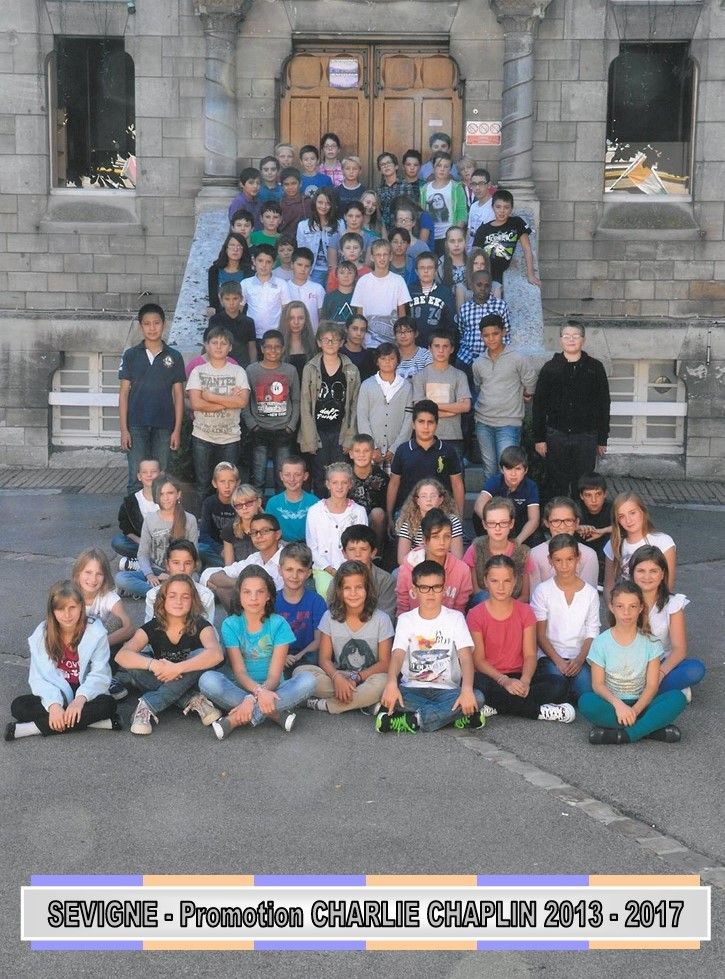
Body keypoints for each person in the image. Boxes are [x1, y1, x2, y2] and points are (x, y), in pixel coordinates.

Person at [199, 567, 317, 738]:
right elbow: (239, 671)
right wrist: (257, 694)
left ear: (268, 595)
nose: (253, 598)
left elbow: (274, 676)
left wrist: (252, 699)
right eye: (247, 592)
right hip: (240, 688)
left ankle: (236, 719)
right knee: (207, 680)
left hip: (274, 688)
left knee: (308, 680)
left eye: (260, 592)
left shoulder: (279, 624)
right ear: (239, 595)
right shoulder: (230, 624)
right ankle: (274, 714)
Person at [377, 559, 484, 734]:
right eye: (424, 588)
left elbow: (466, 658)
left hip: (447, 690)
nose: (431, 593)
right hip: (411, 688)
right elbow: (397, 655)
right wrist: (391, 683)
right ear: (414, 590)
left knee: (477, 696)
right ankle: (454, 717)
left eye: (436, 587)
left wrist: (466, 690)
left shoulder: (455, 618)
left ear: (444, 589)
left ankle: (414, 720)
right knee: (390, 694)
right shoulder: (406, 619)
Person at [5, 581, 119, 741]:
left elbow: (100, 674)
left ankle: (31, 728)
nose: (67, 614)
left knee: (108, 704)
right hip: (57, 688)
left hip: (85, 690)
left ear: (81, 606)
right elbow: (38, 678)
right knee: (18, 706)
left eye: (72, 607)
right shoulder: (42, 634)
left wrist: (79, 700)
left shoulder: (96, 632)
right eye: (60, 609)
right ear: (52, 611)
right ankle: (94, 722)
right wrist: (54, 705)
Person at [467, 556, 575, 722]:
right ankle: (539, 712)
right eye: (494, 581)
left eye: (507, 581)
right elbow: (478, 660)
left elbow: (530, 654)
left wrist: (525, 681)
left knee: (559, 684)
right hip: (491, 677)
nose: (501, 587)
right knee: (475, 683)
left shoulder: (525, 611)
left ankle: (496, 706)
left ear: (515, 581)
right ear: (486, 581)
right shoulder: (475, 614)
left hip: (519, 674)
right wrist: (504, 681)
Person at [579, 581, 688, 744]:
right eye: (620, 606)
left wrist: (635, 711)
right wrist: (619, 706)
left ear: (641, 608)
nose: (626, 612)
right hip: (612, 705)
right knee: (586, 702)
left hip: (642, 703)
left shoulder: (651, 642)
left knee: (677, 698)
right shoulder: (600, 643)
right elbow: (598, 685)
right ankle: (649, 729)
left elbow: (652, 686)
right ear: (611, 607)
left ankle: (624, 734)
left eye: (632, 606)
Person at [114, 574, 224, 735]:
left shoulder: (202, 625)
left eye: (185, 597)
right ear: (163, 600)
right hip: (160, 676)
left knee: (201, 654)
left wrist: (178, 668)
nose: (178, 601)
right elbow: (121, 656)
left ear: (193, 601)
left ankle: (147, 705)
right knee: (136, 663)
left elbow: (216, 654)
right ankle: (191, 699)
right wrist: (154, 665)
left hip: (191, 679)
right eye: (172, 596)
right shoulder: (153, 626)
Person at [298, 560, 393, 714]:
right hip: (339, 676)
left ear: (367, 589)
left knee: (384, 682)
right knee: (301, 673)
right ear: (339, 591)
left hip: (368, 677)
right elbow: (324, 659)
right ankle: (364, 702)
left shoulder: (382, 619)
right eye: (347, 588)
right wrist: (337, 678)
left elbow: (385, 663)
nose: (353, 593)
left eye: (359, 587)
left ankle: (324, 704)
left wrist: (357, 678)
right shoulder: (329, 617)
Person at [533, 321, 611, 500]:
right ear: (560, 340)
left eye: (575, 336)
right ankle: (557, 516)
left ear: (583, 340)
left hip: (586, 436)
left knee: (583, 484)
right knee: (556, 484)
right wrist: (539, 439)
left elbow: (604, 404)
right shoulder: (550, 368)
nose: (571, 340)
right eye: (566, 336)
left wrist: (602, 438)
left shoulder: (595, 368)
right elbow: (539, 405)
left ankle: (580, 517)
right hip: (556, 435)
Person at [118, 303, 185, 495]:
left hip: (164, 426)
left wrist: (177, 430)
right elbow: (123, 393)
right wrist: (124, 430)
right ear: (141, 326)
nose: (152, 328)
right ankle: (134, 515)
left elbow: (179, 395)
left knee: (161, 478)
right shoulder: (131, 355)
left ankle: (160, 514)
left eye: (156, 323)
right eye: (147, 324)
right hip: (136, 425)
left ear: (164, 324)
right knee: (136, 478)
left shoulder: (174, 356)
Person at [531, 534, 600, 703]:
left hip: (579, 657)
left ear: (578, 558)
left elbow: (592, 632)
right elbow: (540, 635)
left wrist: (580, 660)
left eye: (570, 559)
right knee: (557, 685)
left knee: (586, 693)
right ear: (550, 560)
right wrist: (559, 662)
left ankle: (568, 695)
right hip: (550, 656)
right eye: (558, 560)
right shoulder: (543, 591)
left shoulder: (590, 593)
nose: (564, 566)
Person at [629, 545, 706, 696]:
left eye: (653, 571)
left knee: (695, 669)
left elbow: (679, 649)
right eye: (641, 571)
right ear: (632, 573)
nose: (647, 577)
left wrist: (660, 673)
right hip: (632, 663)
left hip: (663, 662)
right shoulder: (624, 600)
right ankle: (665, 691)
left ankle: (644, 693)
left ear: (662, 574)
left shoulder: (673, 604)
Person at [186, 326, 250, 502]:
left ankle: (229, 517)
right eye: (214, 342)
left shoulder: (238, 371)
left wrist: (210, 397)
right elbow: (196, 404)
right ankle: (204, 518)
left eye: (223, 343)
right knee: (203, 484)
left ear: (230, 347)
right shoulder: (198, 371)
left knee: (229, 485)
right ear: (207, 345)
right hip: (202, 436)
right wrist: (229, 401)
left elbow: (242, 402)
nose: (219, 346)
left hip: (230, 438)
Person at [299, 322, 361, 497]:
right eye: (326, 339)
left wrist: (350, 437)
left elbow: (355, 405)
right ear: (319, 342)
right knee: (320, 475)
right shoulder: (310, 368)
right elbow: (305, 404)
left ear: (342, 342)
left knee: (341, 474)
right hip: (318, 431)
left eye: (335, 339)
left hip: (340, 431)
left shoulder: (351, 369)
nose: (330, 343)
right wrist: (309, 438)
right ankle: (322, 510)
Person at [472, 314, 536, 481]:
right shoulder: (478, 363)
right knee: (489, 470)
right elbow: (478, 386)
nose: (491, 338)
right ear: (481, 337)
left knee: (509, 469)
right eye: (486, 335)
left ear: (503, 332)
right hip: (483, 422)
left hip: (509, 423)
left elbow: (530, 380)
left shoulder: (517, 358)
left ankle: (509, 499)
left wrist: (527, 394)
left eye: (495, 333)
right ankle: (491, 499)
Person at [115, 475, 198, 599]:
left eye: (170, 493)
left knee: (195, 581)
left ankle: (158, 593)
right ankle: (167, 593)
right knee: (121, 578)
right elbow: (142, 553)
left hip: (182, 571)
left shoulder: (190, 519)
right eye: (161, 494)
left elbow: (195, 556)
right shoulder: (150, 520)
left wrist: (171, 576)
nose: (166, 498)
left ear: (178, 494)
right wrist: (149, 575)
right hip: (156, 570)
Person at [241, 329, 300, 497]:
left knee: (283, 479)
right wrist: (252, 425)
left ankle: (280, 511)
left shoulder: (290, 371)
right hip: (259, 430)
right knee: (258, 478)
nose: (273, 351)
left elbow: (296, 400)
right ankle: (257, 511)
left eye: (277, 347)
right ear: (262, 348)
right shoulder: (251, 371)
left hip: (283, 431)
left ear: (283, 349)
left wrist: (291, 425)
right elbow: (245, 401)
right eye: (268, 347)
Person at [387, 400, 465, 520]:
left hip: (440, 513)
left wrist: (459, 516)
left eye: (430, 422)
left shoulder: (448, 451)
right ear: (413, 424)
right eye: (421, 421)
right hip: (408, 513)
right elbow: (393, 484)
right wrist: (389, 515)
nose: (425, 427)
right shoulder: (403, 450)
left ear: (436, 424)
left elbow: (457, 485)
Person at [396, 509, 472, 616]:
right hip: (413, 624)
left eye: (447, 536)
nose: (442, 542)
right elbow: (403, 606)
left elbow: (459, 611)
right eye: (435, 537)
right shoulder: (409, 566)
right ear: (425, 540)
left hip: (448, 624)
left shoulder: (462, 570)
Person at [412, 328, 471, 463]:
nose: (441, 350)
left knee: (454, 474)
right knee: (426, 474)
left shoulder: (459, 375)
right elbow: (419, 408)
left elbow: (465, 406)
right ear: (429, 349)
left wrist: (432, 407)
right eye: (437, 346)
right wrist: (451, 410)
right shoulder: (420, 376)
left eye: (445, 346)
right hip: (426, 436)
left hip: (453, 435)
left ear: (452, 349)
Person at [202, 512, 285, 610]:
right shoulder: (254, 558)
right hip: (252, 610)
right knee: (223, 589)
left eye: (265, 531)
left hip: (282, 612)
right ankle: (238, 619)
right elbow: (211, 574)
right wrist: (242, 583)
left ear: (277, 534)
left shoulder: (288, 558)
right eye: (254, 532)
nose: (258, 536)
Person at [305, 462, 368, 589]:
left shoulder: (359, 511)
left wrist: (350, 569)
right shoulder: (315, 511)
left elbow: (362, 545)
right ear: (328, 484)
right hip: (324, 569)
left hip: (353, 569)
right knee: (327, 591)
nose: (339, 487)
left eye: (344, 482)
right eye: (335, 483)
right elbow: (312, 547)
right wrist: (331, 570)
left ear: (350, 484)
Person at [603, 492, 676, 601]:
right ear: (617, 520)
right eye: (621, 516)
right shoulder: (614, 544)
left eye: (632, 513)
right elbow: (609, 585)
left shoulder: (663, 542)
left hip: (655, 605)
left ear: (642, 511)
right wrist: (613, 607)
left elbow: (667, 585)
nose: (628, 520)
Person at [356, 342, 413, 474]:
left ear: (398, 361)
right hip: (371, 450)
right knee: (372, 482)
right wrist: (372, 447)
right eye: (383, 358)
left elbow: (409, 420)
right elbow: (362, 417)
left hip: (397, 449)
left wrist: (395, 448)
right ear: (377, 361)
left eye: (391, 358)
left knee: (396, 482)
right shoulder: (367, 385)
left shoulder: (406, 386)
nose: (387, 362)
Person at [464, 497, 533, 603]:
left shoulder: (523, 553)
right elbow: (475, 590)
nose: (497, 528)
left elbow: (525, 596)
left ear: (511, 523)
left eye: (503, 522)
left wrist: (507, 607)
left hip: (514, 606)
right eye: (492, 523)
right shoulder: (476, 548)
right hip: (482, 605)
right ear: (484, 524)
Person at [472, 189, 540, 297]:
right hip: (485, 273)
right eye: (498, 207)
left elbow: (527, 249)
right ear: (492, 207)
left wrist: (530, 275)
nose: (502, 211)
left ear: (511, 209)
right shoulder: (483, 229)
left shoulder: (516, 222)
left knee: (497, 294)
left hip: (501, 273)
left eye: (506, 207)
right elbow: (474, 255)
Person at [275, 542, 327, 674]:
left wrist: (298, 656)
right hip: (278, 654)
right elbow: (266, 638)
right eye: (289, 569)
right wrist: (282, 656)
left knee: (312, 660)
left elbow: (319, 640)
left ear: (309, 573)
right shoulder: (272, 601)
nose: (294, 576)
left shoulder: (316, 601)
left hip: (307, 654)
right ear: (280, 570)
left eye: (300, 571)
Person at [528, 497, 600, 591]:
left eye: (568, 521)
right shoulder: (535, 554)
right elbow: (535, 594)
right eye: (556, 521)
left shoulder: (589, 555)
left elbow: (588, 593)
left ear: (577, 522)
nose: (562, 527)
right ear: (546, 523)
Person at [328, 525, 397, 622]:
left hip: (376, 629)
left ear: (373, 552)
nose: (357, 555)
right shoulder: (337, 581)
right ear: (344, 553)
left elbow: (387, 618)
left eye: (363, 549)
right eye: (352, 549)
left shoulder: (386, 581)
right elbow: (333, 613)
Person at [473, 446, 540, 545]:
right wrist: (494, 523)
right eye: (509, 468)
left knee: (537, 537)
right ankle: (487, 542)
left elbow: (534, 519)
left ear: (525, 470)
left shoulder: (530, 486)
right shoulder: (495, 481)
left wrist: (518, 541)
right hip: (496, 522)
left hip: (518, 524)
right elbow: (479, 504)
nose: (513, 474)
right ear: (502, 470)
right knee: (478, 515)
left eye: (518, 469)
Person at [351, 239, 412, 348]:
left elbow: (402, 312)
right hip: (367, 343)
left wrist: (400, 338)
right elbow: (359, 313)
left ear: (391, 257)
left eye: (385, 254)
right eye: (378, 255)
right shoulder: (363, 281)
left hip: (391, 342)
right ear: (372, 257)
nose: (382, 258)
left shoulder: (398, 280)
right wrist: (361, 340)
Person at [72, 548, 134, 654]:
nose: (93, 579)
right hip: (74, 644)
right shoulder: (69, 595)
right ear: (78, 573)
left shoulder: (109, 597)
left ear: (105, 577)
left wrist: (99, 644)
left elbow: (129, 629)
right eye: (88, 572)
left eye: (99, 574)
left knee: (117, 621)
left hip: (101, 645)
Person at [144, 539, 216, 627]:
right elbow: (149, 630)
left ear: (195, 565)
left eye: (187, 563)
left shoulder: (205, 596)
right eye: (176, 563)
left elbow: (207, 629)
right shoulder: (153, 595)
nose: (182, 569)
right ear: (167, 564)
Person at [396, 478, 464, 563]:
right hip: (416, 566)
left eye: (433, 496)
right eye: (424, 496)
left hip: (446, 565)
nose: (428, 499)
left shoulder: (452, 521)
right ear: (417, 500)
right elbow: (401, 559)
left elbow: (458, 557)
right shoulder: (409, 522)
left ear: (440, 500)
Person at [456, 272, 511, 377]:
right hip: (467, 359)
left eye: (487, 286)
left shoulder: (500, 306)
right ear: (472, 285)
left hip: (493, 360)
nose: (483, 288)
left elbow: (506, 333)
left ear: (491, 287)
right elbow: (462, 331)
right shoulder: (465, 308)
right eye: (479, 285)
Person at [241, 244, 292, 343]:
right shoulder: (245, 283)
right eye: (260, 261)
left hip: (275, 335)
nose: (264, 265)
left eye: (268, 262)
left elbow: (286, 310)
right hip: (251, 335)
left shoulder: (281, 284)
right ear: (254, 261)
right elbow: (239, 308)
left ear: (274, 264)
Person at [112, 457, 160, 562]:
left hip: (166, 542)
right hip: (141, 543)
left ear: (160, 474)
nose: (149, 475)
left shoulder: (168, 496)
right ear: (139, 476)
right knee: (118, 542)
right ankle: (150, 559)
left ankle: (142, 562)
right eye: (145, 472)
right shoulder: (130, 501)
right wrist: (142, 542)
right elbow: (126, 528)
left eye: (153, 472)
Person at [419, 152, 467, 255]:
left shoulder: (456, 187)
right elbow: (421, 212)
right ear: (433, 167)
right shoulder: (424, 189)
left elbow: (462, 212)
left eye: (446, 166)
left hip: (449, 237)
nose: (442, 169)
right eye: (439, 166)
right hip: (430, 237)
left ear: (450, 169)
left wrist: (455, 235)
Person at [348, 433, 389, 550]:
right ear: (351, 454)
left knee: (378, 513)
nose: (361, 455)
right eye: (357, 451)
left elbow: (387, 506)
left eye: (366, 451)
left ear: (373, 454)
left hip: (373, 523)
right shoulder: (345, 476)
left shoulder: (381, 477)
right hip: (350, 520)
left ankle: (376, 552)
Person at [408, 252, 457, 348]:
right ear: (416, 271)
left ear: (435, 271)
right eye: (422, 268)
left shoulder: (445, 292)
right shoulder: (409, 290)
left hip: (438, 347)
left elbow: (451, 324)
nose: (426, 271)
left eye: (430, 268)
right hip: (413, 346)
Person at [265, 457, 318, 543]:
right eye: (287, 475)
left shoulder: (314, 502)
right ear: (281, 476)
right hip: (281, 546)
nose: (292, 479)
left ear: (305, 476)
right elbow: (268, 531)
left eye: (297, 475)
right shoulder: (273, 503)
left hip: (308, 546)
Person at [296, 190, 341, 288]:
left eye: (328, 203)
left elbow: (342, 248)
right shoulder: (303, 226)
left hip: (333, 271)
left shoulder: (340, 224)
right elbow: (301, 252)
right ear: (314, 203)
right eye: (320, 202)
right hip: (312, 271)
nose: (323, 206)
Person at [197, 461, 239, 568]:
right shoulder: (209, 503)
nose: (227, 486)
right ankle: (227, 566)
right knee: (200, 549)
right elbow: (204, 535)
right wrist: (221, 549)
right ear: (214, 483)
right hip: (216, 550)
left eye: (231, 481)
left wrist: (231, 550)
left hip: (237, 549)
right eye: (222, 481)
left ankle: (226, 566)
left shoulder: (241, 502)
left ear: (237, 483)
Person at [207, 280, 257, 368]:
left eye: (235, 298)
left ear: (241, 299)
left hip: (242, 366)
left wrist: (252, 367)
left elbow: (252, 347)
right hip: (220, 366)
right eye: (227, 299)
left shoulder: (248, 322)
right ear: (221, 300)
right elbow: (208, 345)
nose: (231, 303)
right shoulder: (215, 320)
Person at [577, 473, 612, 586]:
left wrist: (602, 531)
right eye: (588, 495)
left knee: (614, 537)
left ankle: (603, 575)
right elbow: (554, 523)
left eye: (598, 494)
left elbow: (625, 525)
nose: (594, 500)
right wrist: (577, 527)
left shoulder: (612, 508)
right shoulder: (575, 508)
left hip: (603, 550)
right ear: (581, 496)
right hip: (581, 548)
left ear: (605, 494)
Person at [207, 233, 252, 315]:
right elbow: (213, 300)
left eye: (239, 246)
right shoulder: (214, 270)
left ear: (244, 250)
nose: (235, 249)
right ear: (226, 248)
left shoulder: (249, 273)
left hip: (243, 316)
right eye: (232, 245)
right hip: (220, 315)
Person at [220, 484, 262, 564]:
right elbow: (229, 565)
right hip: (238, 570)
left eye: (249, 503)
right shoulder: (229, 528)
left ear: (259, 502)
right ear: (235, 509)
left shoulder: (269, 525)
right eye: (239, 505)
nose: (244, 508)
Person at [280, 300, 317, 384]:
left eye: (300, 318)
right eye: (291, 318)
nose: (296, 322)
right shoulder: (277, 344)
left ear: (306, 320)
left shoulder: (315, 343)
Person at [393, 315, 433, 380]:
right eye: (399, 332)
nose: (403, 336)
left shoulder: (426, 355)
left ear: (416, 333)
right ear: (395, 335)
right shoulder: (391, 356)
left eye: (407, 331)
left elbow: (430, 379)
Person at [377, 152, 407, 234]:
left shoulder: (405, 185)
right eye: (382, 164)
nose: (386, 166)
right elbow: (379, 214)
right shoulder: (379, 190)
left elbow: (411, 210)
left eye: (388, 163)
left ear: (396, 166)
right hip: (384, 231)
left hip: (402, 230)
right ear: (380, 170)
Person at [341, 313, 377, 381]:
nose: (359, 333)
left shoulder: (370, 356)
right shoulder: (338, 354)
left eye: (362, 330)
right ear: (346, 329)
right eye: (355, 329)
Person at [322, 260, 358, 325]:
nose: (346, 276)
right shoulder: (329, 297)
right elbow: (324, 320)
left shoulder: (358, 297)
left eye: (350, 273)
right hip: (334, 330)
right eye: (342, 273)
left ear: (355, 276)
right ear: (336, 276)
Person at [466, 168, 495, 249]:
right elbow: (469, 230)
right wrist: (466, 249)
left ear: (489, 185)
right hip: (471, 251)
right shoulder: (473, 206)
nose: (477, 188)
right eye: (474, 184)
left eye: (481, 184)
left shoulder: (494, 206)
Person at [279, 167, 311, 238]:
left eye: (293, 183)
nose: (290, 187)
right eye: (286, 184)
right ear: (282, 186)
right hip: (285, 241)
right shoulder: (280, 204)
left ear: (300, 184)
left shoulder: (307, 202)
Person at [436, 225, 468, 293]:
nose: (456, 244)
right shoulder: (439, 265)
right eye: (452, 241)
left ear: (465, 242)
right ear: (446, 244)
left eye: (460, 240)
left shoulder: (473, 262)